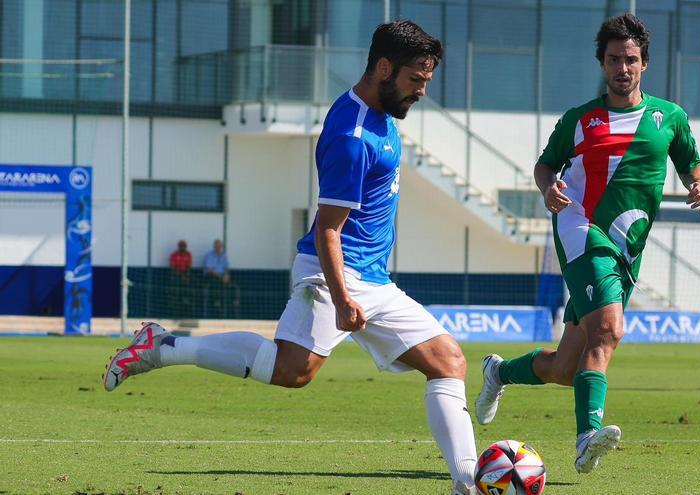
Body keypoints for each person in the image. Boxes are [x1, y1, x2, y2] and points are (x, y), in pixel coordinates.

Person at [102, 21, 478, 495]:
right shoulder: (353, 136)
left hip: (373, 277)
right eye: (415, 79)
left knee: (447, 361)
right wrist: (342, 299)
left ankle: (469, 481)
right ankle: (164, 347)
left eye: (426, 80)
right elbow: (327, 228)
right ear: (384, 67)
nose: (421, 91)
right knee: (292, 372)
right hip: (334, 273)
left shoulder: (381, 116)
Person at [474, 13, 700, 475]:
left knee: (566, 367)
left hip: (627, 248)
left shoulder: (670, 117)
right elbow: (546, 167)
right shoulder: (581, 120)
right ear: (602, 63)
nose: (623, 68)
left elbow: (692, 165)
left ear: (645, 63)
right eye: (614, 59)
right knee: (609, 330)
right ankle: (586, 439)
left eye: (632, 59)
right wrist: (547, 190)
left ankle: (497, 372)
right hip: (581, 231)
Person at [169, 240, 193, 315]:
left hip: (185, 275)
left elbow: (189, 267)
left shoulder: (188, 254)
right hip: (176, 275)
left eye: (184, 246)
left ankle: (186, 305)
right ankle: (175, 307)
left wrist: (186, 276)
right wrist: (181, 276)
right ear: (179, 247)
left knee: (188, 287)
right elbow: (173, 268)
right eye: (181, 246)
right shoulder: (174, 255)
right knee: (174, 286)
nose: (182, 248)